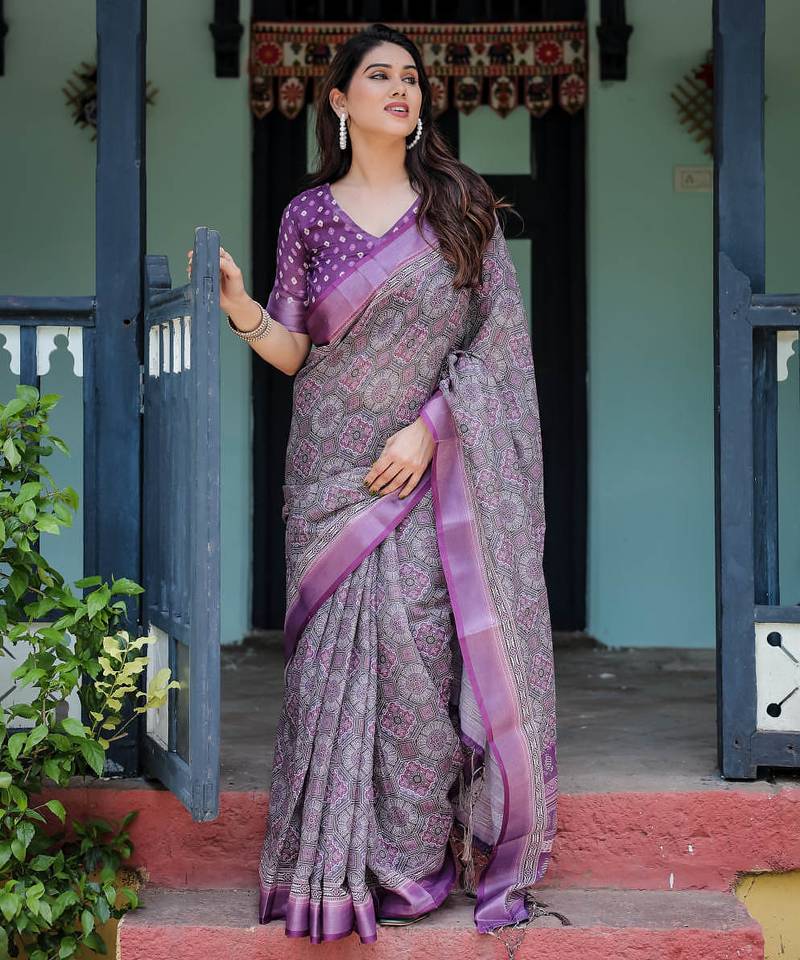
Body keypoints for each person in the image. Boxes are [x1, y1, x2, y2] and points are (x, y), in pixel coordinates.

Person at [189, 21, 557, 949]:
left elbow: (497, 352)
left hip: (426, 472)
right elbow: (294, 350)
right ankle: (327, 870)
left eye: (412, 78)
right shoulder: (307, 216)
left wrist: (432, 429)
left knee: (419, 667)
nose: (402, 89)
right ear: (339, 100)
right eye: (381, 76)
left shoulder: (460, 206)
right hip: (329, 470)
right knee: (329, 669)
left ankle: (409, 863)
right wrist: (240, 307)